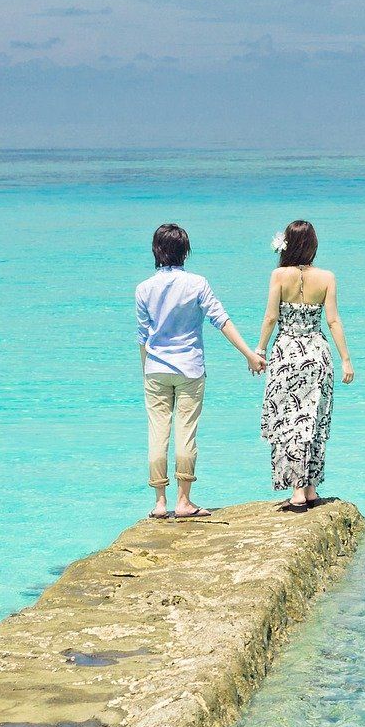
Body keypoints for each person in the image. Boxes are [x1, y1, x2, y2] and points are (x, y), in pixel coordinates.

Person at [136, 223, 263, 520]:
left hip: (155, 369)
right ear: (185, 252)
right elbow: (221, 320)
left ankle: (159, 503)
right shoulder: (197, 284)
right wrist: (249, 354)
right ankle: (183, 501)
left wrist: (147, 370)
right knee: (186, 432)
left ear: (156, 251)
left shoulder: (143, 288)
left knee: (157, 432)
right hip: (190, 369)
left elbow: (142, 336)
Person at [256, 220, 353, 513]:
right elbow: (333, 320)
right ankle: (310, 488)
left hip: (286, 353)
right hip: (317, 352)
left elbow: (271, 317)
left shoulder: (278, 275)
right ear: (312, 245)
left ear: (287, 244)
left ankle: (297, 491)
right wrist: (346, 358)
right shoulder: (327, 277)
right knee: (314, 419)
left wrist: (260, 349)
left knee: (289, 419)